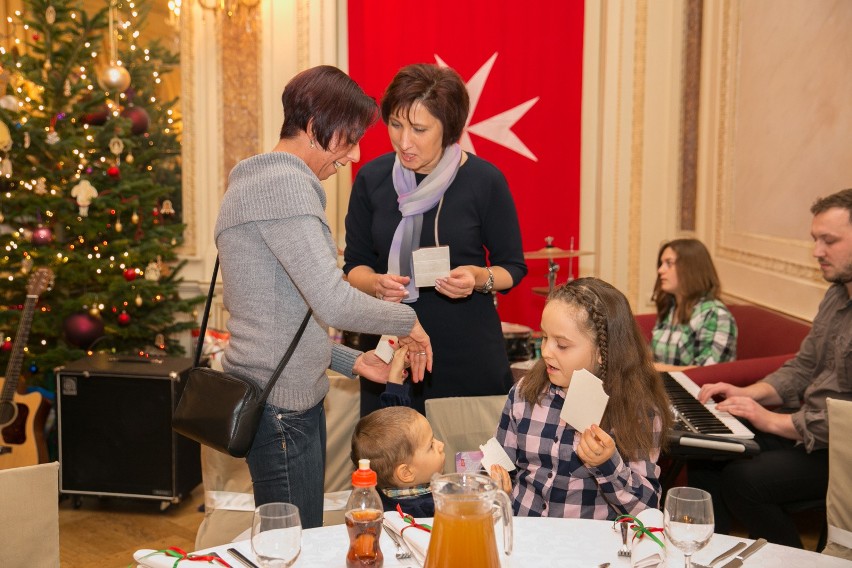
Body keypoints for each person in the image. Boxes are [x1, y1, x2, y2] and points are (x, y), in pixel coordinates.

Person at [214, 65, 433, 530]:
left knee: (289, 538)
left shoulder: (256, 182)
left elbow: (278, 312)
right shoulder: (285, 185)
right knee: (297, 545)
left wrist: (348, 360)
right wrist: (406, 320)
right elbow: (333, 300)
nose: (353, 156)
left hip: (273, 395)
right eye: (348, 140)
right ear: (315, 129)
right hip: (282, 410)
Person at [343, 63, 528, 416]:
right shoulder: (371, 179)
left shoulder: (484, 181)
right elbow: (354, 266)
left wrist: (478, 278)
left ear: (449, 129)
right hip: (391, 352)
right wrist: (376, 283)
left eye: (419, 129)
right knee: (392, 464)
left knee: (471, 466)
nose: (404, 141)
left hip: (467, 353)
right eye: (395, 125)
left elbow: (513, 268)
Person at [695, 188, 852, 548]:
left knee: (744, 481)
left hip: (841, 453)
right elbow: (802, 367)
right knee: (709, 449)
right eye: (815, 240)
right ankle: (710, 553)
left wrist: (772, 421)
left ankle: (789, 559)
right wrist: (749, 393)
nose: (817, 252)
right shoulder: (836, 294)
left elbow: (845, 419)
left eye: (829, 241)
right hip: (807, 430)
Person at [491, 277, 673, 519]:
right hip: (524, 536)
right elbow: (501, 466)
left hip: (591, 547)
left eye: (562, 345)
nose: (546, 352)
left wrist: (607, 464)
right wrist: (494, 483)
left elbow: (647, 510)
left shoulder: (638, 411)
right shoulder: (526, 393)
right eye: (544, 337)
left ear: (601, 353)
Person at [351, 344, 445, 517]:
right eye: (431, 446)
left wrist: (395, 374)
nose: (441, 444)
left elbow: (397, 421)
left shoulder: (381, 491)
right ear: (406, 472)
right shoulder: (428, 510)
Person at [651, 238, 738, 371]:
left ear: (691, 269)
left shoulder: (715, 315)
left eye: (669, 263)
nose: (661, 270)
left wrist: (655, 369)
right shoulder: (671, 306)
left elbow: (707, 372)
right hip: (666, 386)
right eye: (661, 264)